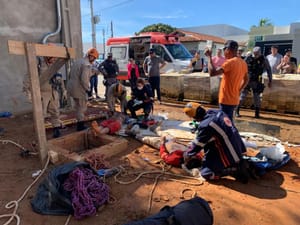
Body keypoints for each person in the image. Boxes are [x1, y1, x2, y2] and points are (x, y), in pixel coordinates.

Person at [183, 102, 250, 183]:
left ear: (195, 117)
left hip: (231, 152)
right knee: (208, 149)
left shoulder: (206, 125)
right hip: (239, 147)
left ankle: (235, 169)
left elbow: (198, 144)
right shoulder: (217, 112)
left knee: (207, 174)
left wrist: (187, 154)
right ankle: (237, 163)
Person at [204, 40, 248, 121]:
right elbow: (246, 79)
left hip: (226, 100)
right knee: (229, 121)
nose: (224, 52)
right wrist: (239, 90)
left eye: (224, 50)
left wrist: (209, 57)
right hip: (234, 99)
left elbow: (212, 73)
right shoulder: (243, 62)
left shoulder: (229, 63)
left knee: (225, 124)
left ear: (228, 50)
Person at [35, 55, 67, 138]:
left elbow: (60, 78)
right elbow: (30, 77)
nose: (54, 60)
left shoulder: (55, 65)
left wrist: (64, 90)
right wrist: (29, 92)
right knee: (41, 113)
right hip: (43, 93)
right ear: (48, 57)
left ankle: (56, 130)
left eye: (55, 58)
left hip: (54, 92)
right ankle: (40, 134)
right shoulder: (39, 64)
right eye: (53, 58)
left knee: (55, 111)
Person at [67, 48, 99, 131]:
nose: (94, 60)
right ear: (91, 56)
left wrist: (92, 72)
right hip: (79, 88)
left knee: (78, 106)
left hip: (72, 87)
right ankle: (80, 126)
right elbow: (84, 79)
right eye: (94, 58)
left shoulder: (78, 61)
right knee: (82, 107)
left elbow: (74, 74)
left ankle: (79, 123)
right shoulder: (86, 64)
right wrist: (88, 90)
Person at [236, 46, 272, 118]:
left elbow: (268, 69)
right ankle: (236, 111)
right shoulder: (248, 58)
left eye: (257, 54)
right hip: (247, 79)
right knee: (242, 95)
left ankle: (257, 113)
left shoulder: (264, 59)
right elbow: (241, 67)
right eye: (254, 54)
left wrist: (270, 80)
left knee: (257, 97)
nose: (255, 55)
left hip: (257, 80)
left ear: (260, 53)